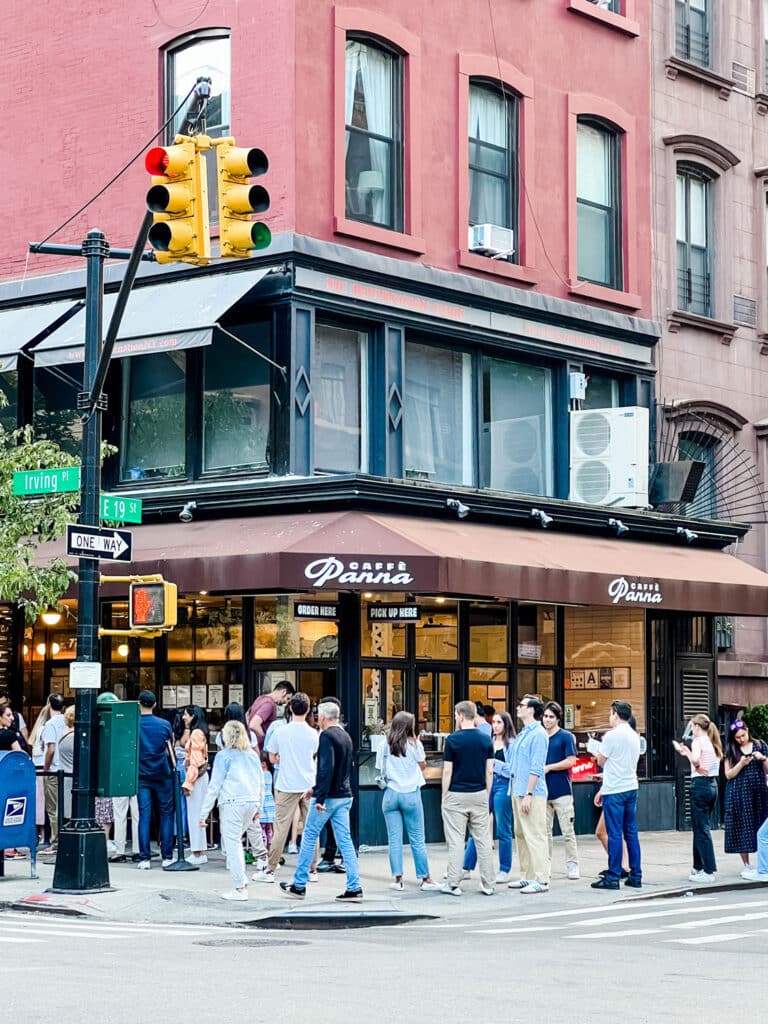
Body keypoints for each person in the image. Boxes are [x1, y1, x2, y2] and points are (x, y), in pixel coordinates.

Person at [280, 700, 363, 902]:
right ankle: (354, 886)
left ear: (323, 717)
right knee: (346, 841)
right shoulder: (345, 736)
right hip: (345, 795)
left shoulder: (326, 736)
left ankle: (299, 884)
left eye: (318, 715)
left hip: (328, 798)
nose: (317, 719)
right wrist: (315, 789)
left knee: (309, 836)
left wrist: (320, 795)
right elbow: (342, 769)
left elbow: (326, 768)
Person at [199, 720, 265, 901]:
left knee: (233, 844)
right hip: (250, 802)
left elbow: (215, 786)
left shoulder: (223, 756)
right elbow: (260, 782)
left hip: (232, 802)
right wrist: (259, 805)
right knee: (236, 842)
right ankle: (241, 877)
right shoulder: (251, 754)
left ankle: (239, 887)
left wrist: (203, 813)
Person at [259, 691, 320, 883]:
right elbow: (314, 755)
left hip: (286, 784)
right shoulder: (313, 734)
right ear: (308, 709)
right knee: (311, 827)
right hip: (309, 784)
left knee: (280, 828)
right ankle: (313, 870)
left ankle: (270, 870)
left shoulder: (280, 731)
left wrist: (281, 758)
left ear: (290, 708)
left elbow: (272, 756)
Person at [377, 710, 438, 891]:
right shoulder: (415, 745)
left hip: (390, 794)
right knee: (417, 839)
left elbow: (380, 768)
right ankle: (425, 879)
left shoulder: (383, 745)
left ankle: (398, 880)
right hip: (411, 793)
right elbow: (422, 765)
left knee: (394, 839)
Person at [441, 700, 496, 897]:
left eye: (455, 715)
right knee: (483, 838)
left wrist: (444, 795)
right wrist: (487, 793)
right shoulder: (486, 740)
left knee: (456, 840)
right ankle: (488, 883)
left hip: (456, 793)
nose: (455, 718)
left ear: (461, 716)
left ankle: (453, 883)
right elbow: (489, 771)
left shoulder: (453, 740)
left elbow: (447, 771)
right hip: (479, 792)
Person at [591, 700, 642, 890]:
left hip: (615, 789)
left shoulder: (611, 736)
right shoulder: (634, 736)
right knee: (631, 833)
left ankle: (613, 876)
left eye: (610, 713)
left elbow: (602, 761)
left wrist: (597, 754)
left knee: (614, 833)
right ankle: (635, 875)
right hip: (631, 786)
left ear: (615, 714)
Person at [463, 710, 515, 883]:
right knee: (477, 826)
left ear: (506, 725)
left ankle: (504, 869)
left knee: (503, 829)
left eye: (499, 722)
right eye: (494, 722)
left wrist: (495, 763)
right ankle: (467, 867)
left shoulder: (511, 745)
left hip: (503, 786)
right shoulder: (489, 742)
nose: (496, 725)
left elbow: (512, 770)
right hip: (487, 785)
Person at [673, 713, 722, 882]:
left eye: (692, 726)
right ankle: (698, 867)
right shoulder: (711, 742)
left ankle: (708, 871)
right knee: (700, 827)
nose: (691, 729)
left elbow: (695, 761)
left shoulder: (698, 741)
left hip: (700, 785)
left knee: (701, 830)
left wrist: (685, 752)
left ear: (697, 727)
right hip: (712, 785)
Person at [509, 695, 551, 894]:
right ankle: (527, 876)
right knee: (521, 834)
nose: (519, 708)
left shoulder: (539, 734)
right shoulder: (524, 732)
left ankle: (542, 879)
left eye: (522, 705)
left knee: (535, 834)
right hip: (517, 789)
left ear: (532, 710)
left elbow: (536, 766)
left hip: (531, 792)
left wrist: (529, 793)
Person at [723, 718, 768, 879]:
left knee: (762, 827)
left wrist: (762, 758)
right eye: (738, 737)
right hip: (739, 794)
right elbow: (728, 774)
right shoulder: (731, 750)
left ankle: (763, 863)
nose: (741, 739)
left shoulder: (760, 745)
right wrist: (741, 763)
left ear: (748, 731)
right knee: (743, 827)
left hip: (760, 792)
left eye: (743, 735)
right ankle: (747, 864)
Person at [136, 690, 175, 870]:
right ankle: (167, 856)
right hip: (162, 773)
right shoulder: (164, 725)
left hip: (142, 774)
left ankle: (145, 858)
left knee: (144, 816)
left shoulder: (134, 724)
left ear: (139, 704)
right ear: (154, 704)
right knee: (166, 814)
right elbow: (170, 748)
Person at [542, 701, 579, 880]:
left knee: (567, 831)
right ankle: (545, 866)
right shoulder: (540, 736)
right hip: (542, 791)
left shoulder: (566, 737)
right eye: (545, 716)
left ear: (558, 719)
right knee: (544, 833)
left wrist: (549, 767)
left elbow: (571, 760)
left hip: (562, 790)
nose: (547, 720)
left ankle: (572, 865)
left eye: (551, 717)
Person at [181, 704, 210, 866]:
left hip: (196, 779)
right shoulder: (200, 732)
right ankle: (200, 851)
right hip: (200, 778)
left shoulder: (196, 733)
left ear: (193, 716)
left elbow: (196, 762)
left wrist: (188, 783)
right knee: (199, 814)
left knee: (194, 815)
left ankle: (197, 852)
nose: (184, 717)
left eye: (186, 714)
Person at [40, 693, 66, 854]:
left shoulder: (50, 724)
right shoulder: (67, 720)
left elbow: (50, 749)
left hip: (54, 769)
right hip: (66, 769)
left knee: (53, 808)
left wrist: (46, 767)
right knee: (63, 806)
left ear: (49, 703)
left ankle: (55, 841)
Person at [247, 681, 296, 750]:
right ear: (283, 692)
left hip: (253, 746)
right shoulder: (269, 704)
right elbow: (253, 724)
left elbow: (247, 717)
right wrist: (266, 739)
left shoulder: (260, 698)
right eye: (287, 698)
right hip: (260, 749)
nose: (286, 702)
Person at [57, 705, 76, 819]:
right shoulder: (74, 737)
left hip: (65, 776)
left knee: (66, 810)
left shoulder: (63, 734)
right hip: (74, 778)